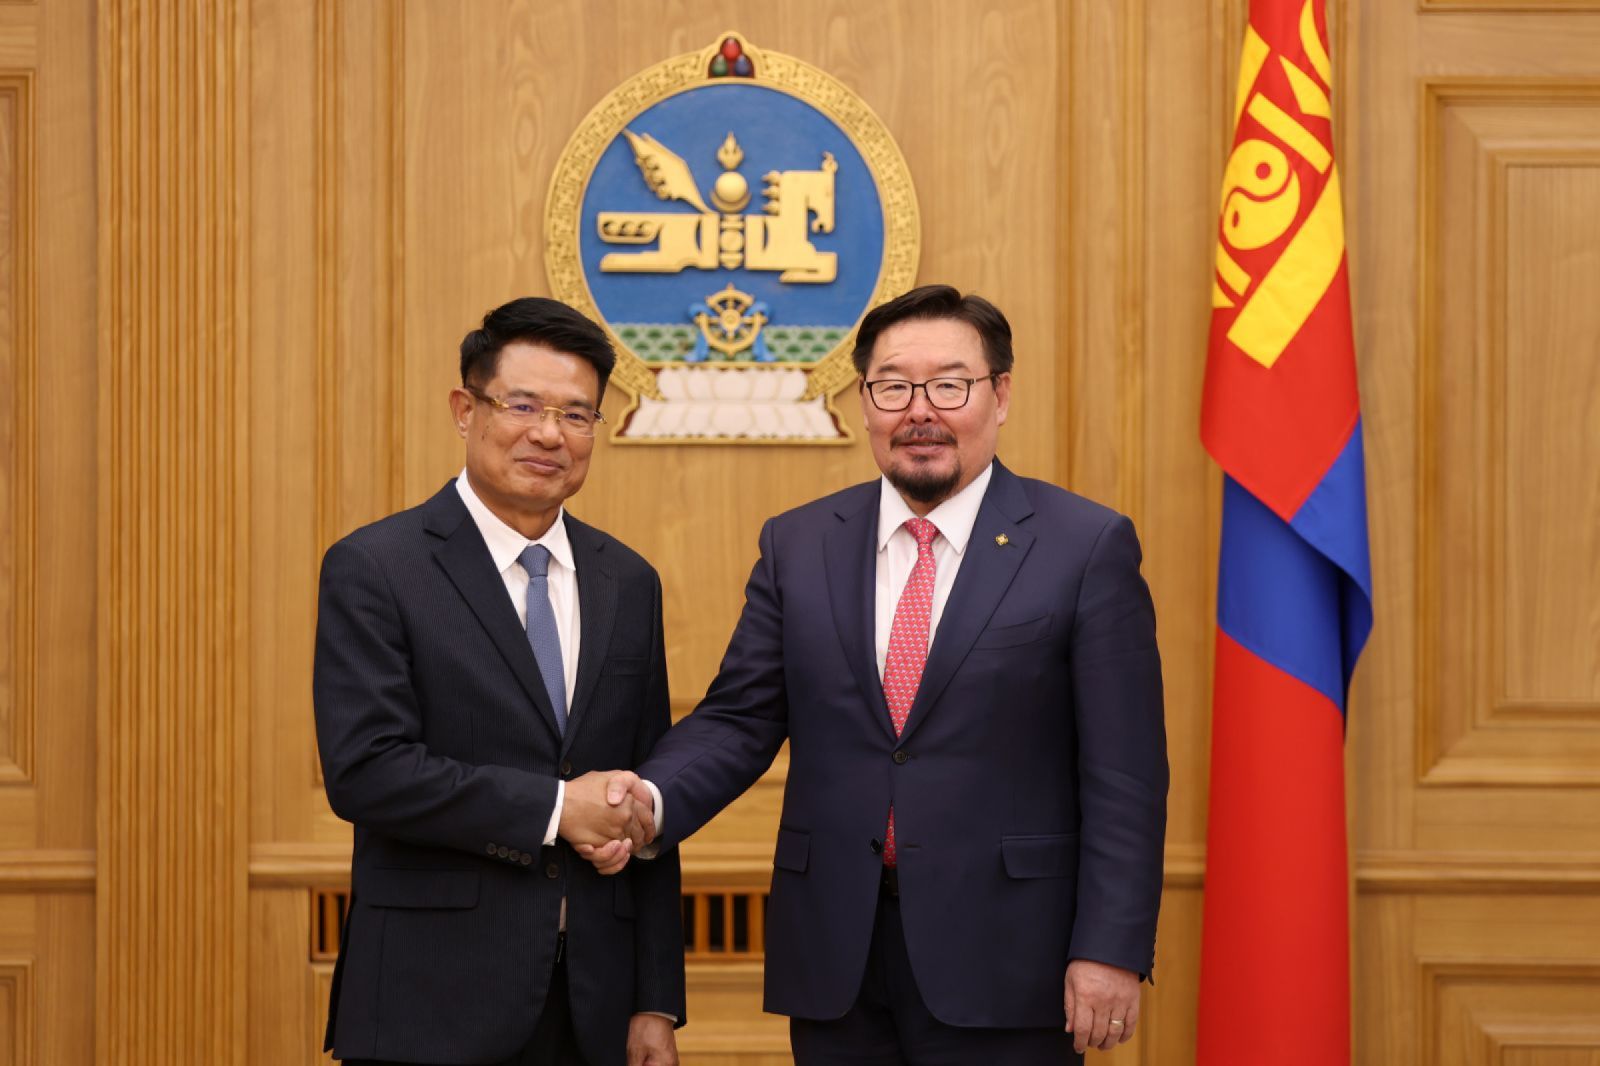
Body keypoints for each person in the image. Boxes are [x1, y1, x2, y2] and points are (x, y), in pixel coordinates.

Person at [588, 284, 1168, 1063]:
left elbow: (1125, 773)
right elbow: (739, 718)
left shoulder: (1084, 546)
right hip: (838, 956)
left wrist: (1110, 946)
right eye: (893, 387)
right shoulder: (799, 544)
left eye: (949, 385)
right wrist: (648, 800)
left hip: (1010, 958)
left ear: (1000, 395)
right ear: (864, 402)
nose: (919, 411)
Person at [313, 297, 683, 1066]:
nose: (550, 434)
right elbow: (367, 771)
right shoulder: (377, 567)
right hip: (429, 1004)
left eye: (576, 415)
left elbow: (644, 787)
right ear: (465, 409)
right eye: (523, 405)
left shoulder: (629, 581)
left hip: (592, 1007)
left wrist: (654, 999)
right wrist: (557, 809)